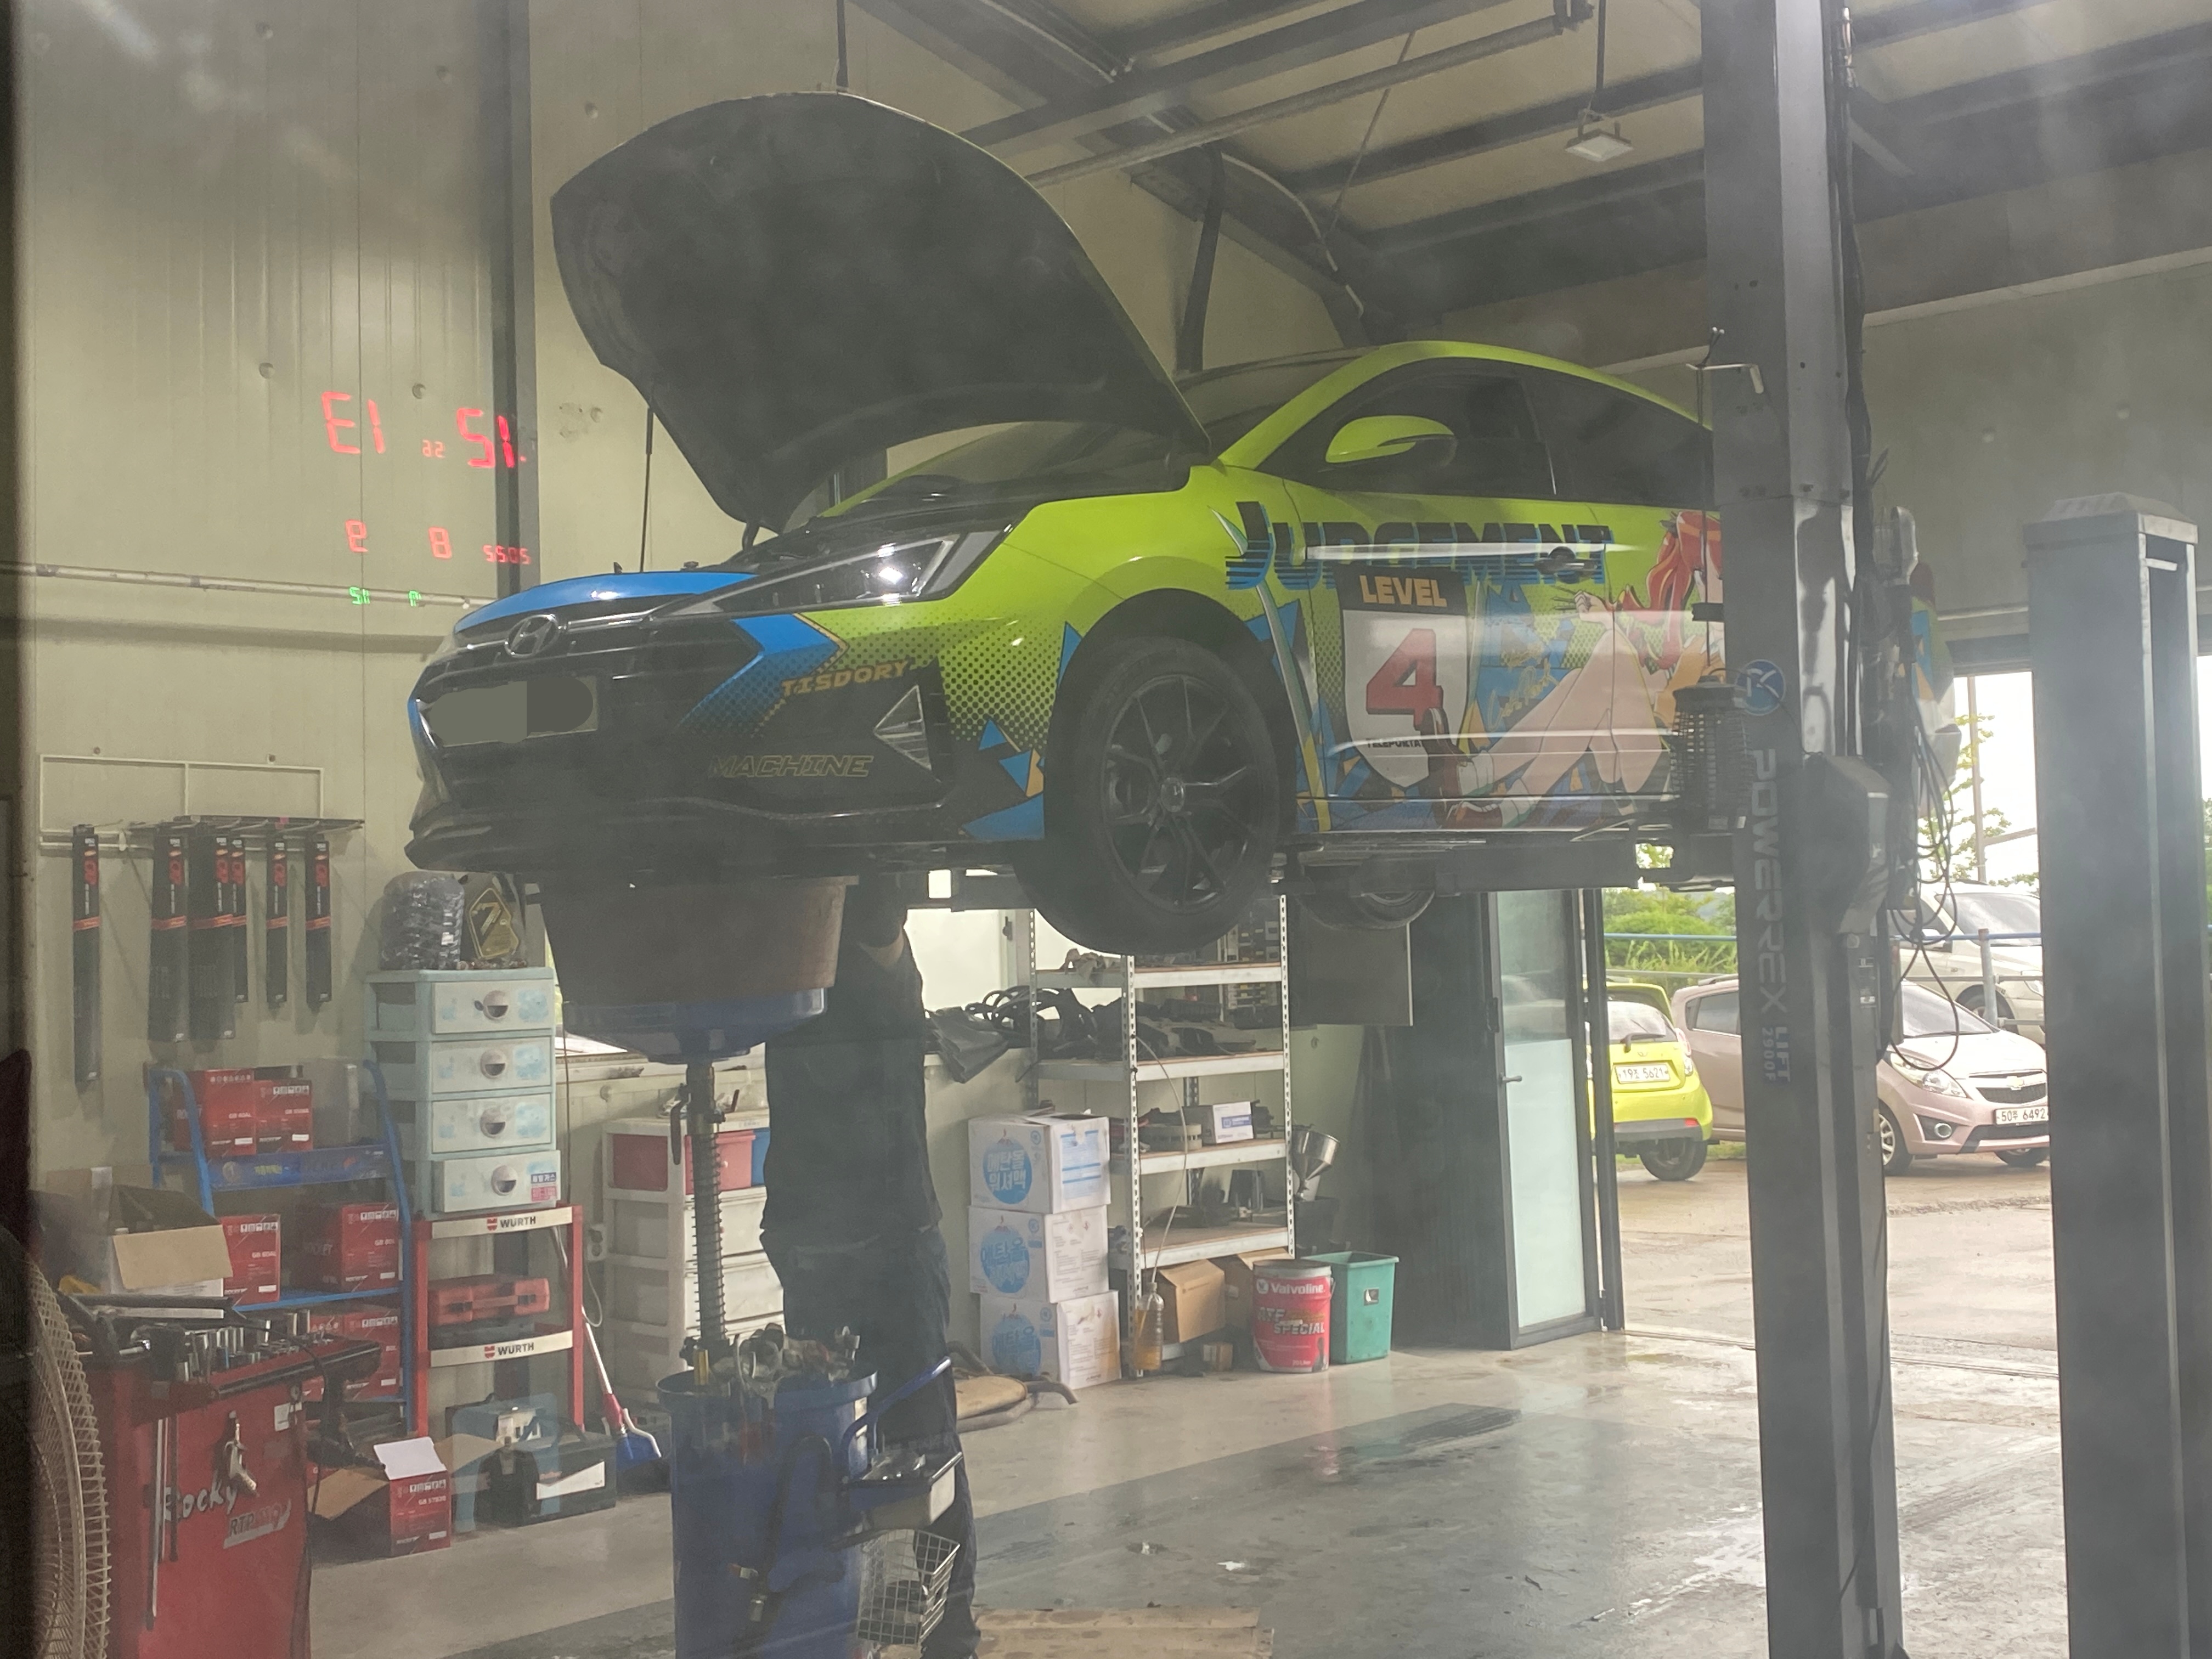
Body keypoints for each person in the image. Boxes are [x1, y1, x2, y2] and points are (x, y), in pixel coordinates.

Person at [761, 876, 978, 1658]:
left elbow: (880, 914)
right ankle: (843, 1621)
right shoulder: (794, 964)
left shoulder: (871, 965)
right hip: (831, 1240)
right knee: (832, 1445)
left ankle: (946, 1630)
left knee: (920, 1443)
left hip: (884, 1242)